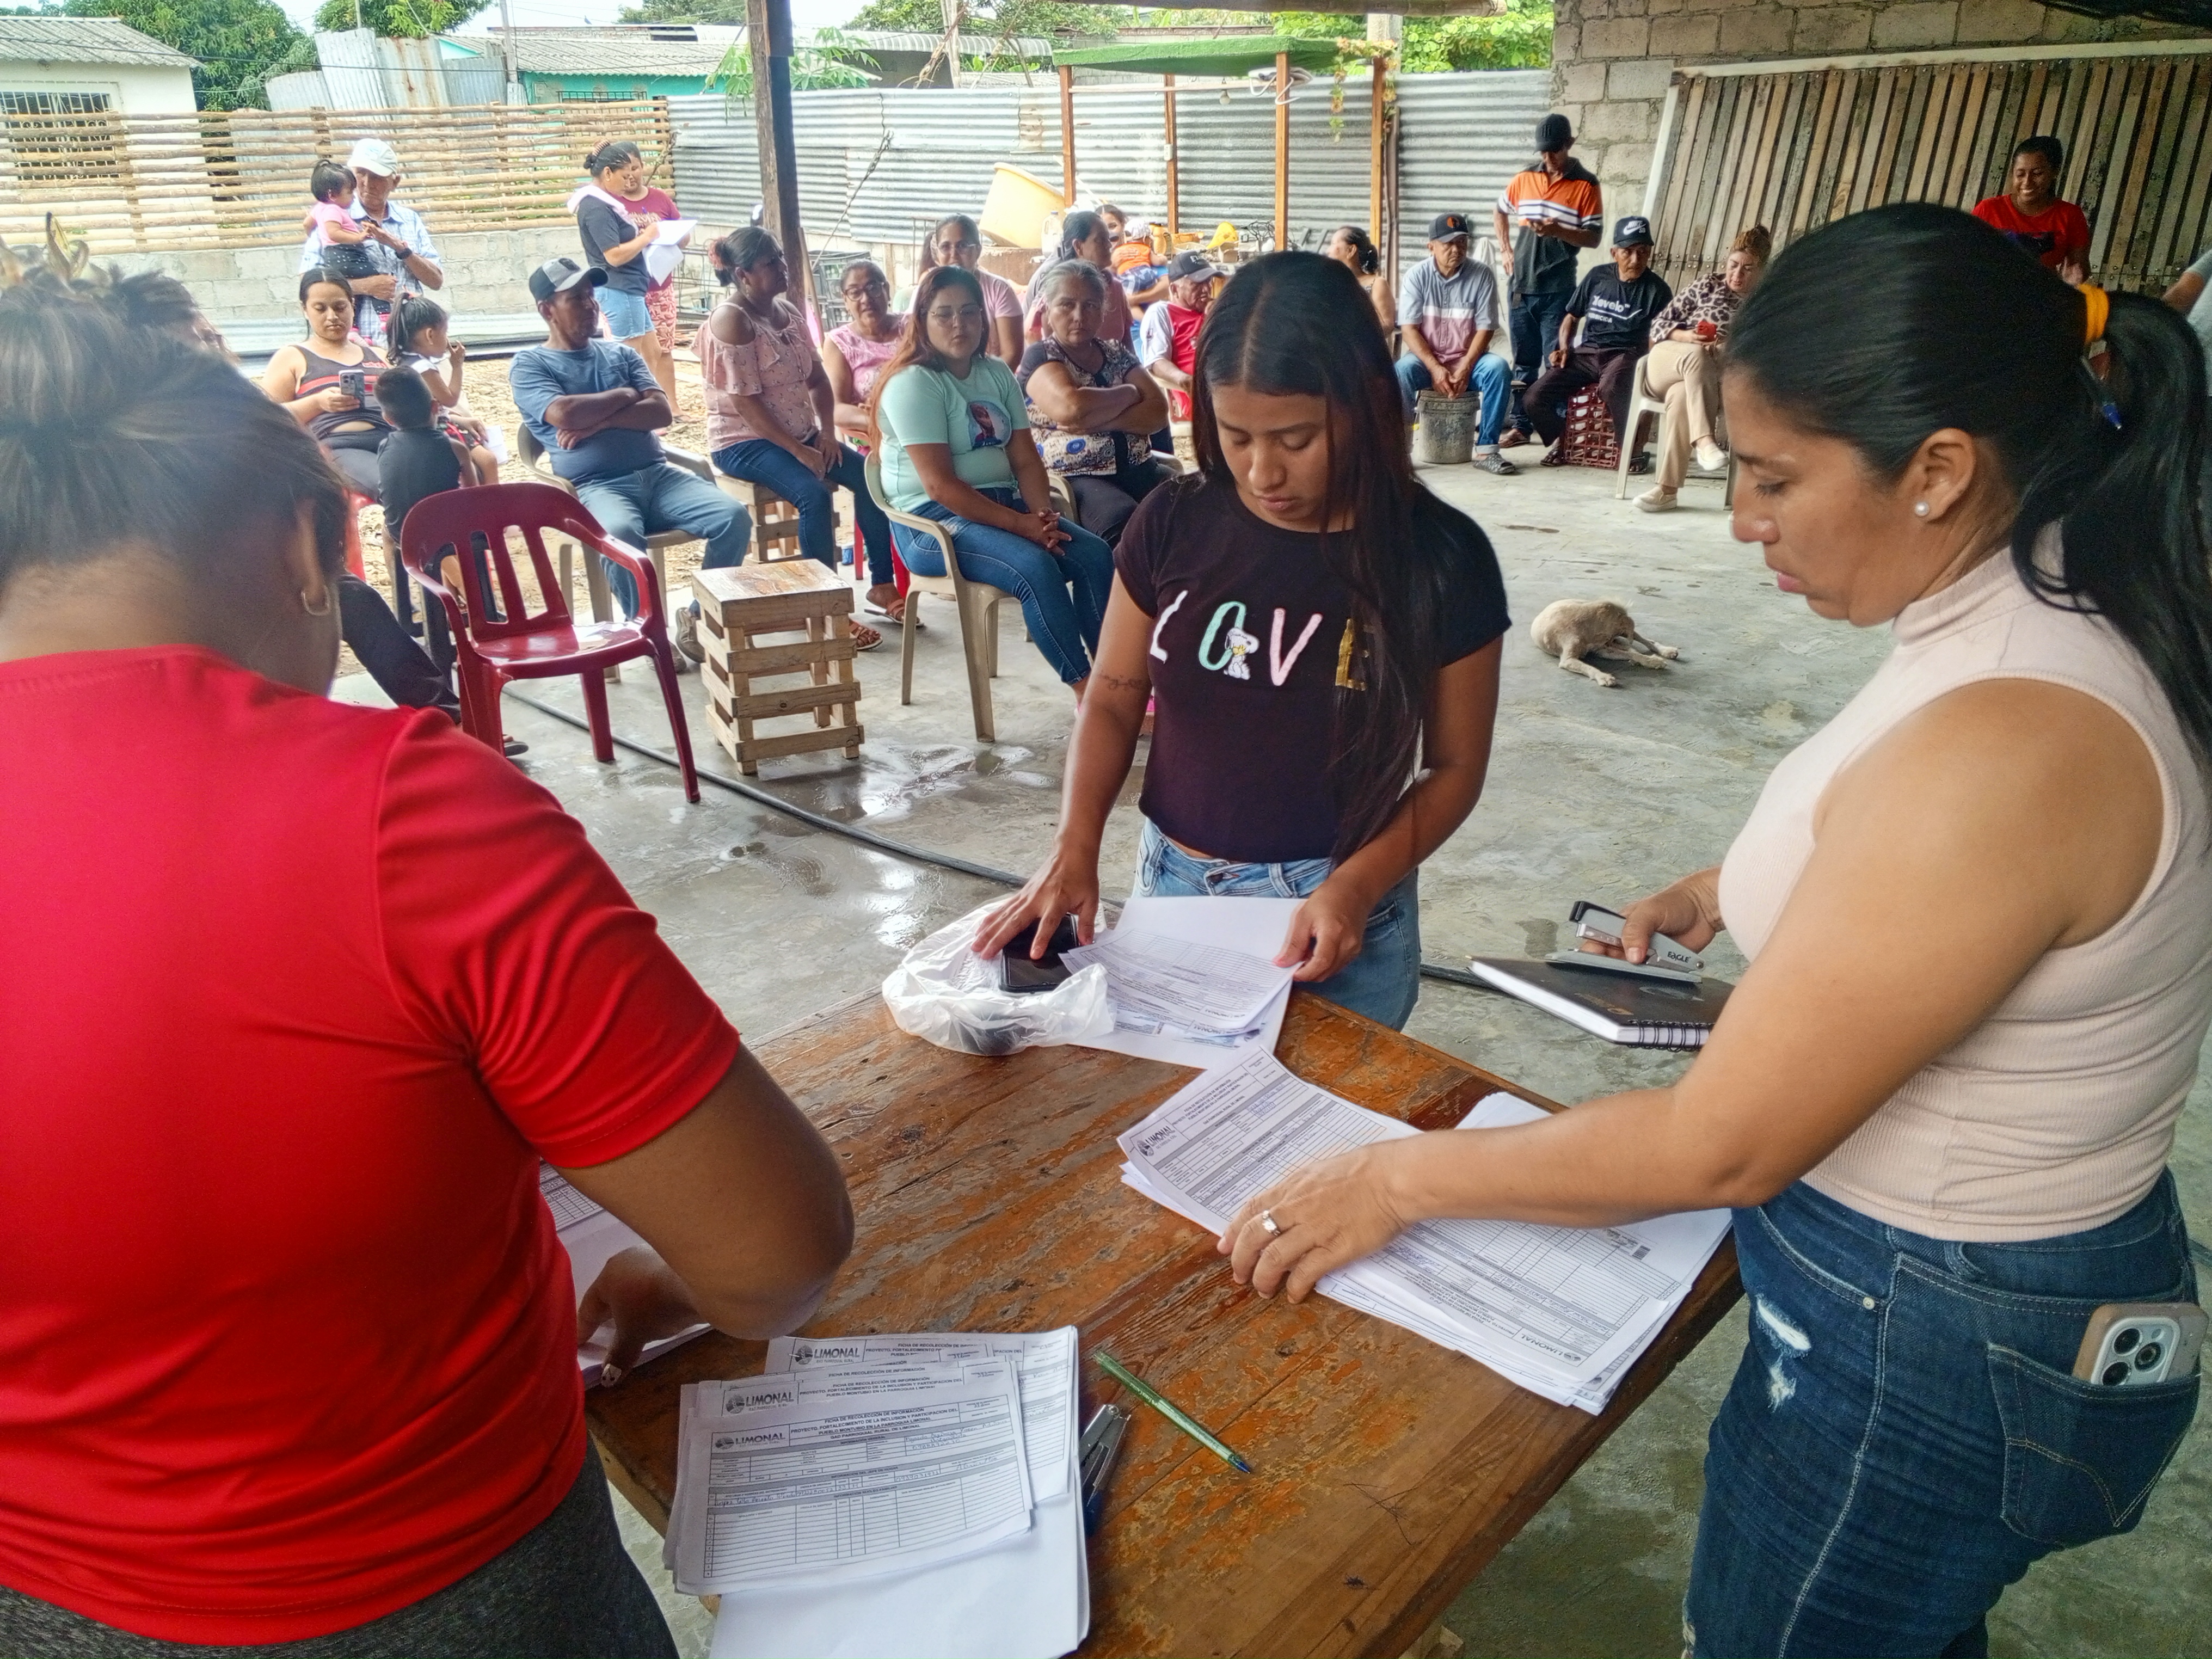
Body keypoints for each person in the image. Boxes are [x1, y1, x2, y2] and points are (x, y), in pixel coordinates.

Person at [1211, 204, 2212, 1656]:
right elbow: (1912, 847)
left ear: (1937, 469)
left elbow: (1716, 1146)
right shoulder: (2051, 596)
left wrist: (1396, 1180)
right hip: (1969, 1299)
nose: (1740, 518)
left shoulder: (2012, 740)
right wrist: (1728, 885)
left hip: (1929, 1331)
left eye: (1774, 477)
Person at [0, 257, 854, 1656]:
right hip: (458, 1593)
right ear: (310, 547)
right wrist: (666, 1277)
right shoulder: (406, 812)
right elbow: (777, 1255)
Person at [974, 251, 1510, 1029]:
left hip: (1340, 911)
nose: (1263, 473)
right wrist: (1074, 843)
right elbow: (1116, 692)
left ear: (1365, 404)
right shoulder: (1173, 520)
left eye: (1295, 439)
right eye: (1236, 436)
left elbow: (1455, 768)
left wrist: (1357, 886)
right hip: (1174, 889)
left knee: (1329, 1109)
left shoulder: (1441, 558)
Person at [870, 264, 1115, 697]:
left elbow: (1025, 459)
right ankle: (1087, 693)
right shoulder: (914, 383)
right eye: (944, 314)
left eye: (970, 312)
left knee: (1094, 555)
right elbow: (940, 487)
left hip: (1002, 506)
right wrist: (1023, 527)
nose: (959, 324)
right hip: (932, 524)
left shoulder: (996, 372)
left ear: (984, 318)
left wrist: (1042, 518)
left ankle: (1115, 683)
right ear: (922, 320)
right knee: (1035, 567)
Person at [508, 257, 749, 640]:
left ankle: (698, 619)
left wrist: (601, 422)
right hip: (596, 487)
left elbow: (660, 412)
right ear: (546, 310)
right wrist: (627, 395)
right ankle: (649, 636)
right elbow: (564, 413)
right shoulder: (531, 364)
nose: (591, 305)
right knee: (620, 534)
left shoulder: (621, 354)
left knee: (733, 517)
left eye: (591, 295)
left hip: (659, 476)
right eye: (576, 298)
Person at [702, 228, 886, 652]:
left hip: (801, 432)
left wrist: (826, 434)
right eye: (771, 262)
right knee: (813, 495)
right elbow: (745, 403)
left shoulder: (786, 312)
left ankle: (882, 585)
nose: (783, 267)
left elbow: (818, 380)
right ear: (743, 274)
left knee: (872, 477)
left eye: (781, 257)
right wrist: (797, 450)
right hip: (743, 441)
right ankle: (824, 609)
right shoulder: (733, 320)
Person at [1017, 259, 1173, 546]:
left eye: (1090, 305)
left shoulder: (1116, 353)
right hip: (1079, 477)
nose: (1079, 316)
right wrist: (1129, 394)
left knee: (1194, 507)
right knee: (1124, 522)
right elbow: (1072, 408)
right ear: (1048, 309)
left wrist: (1099, 421)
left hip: (1141, 467)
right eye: (1067, 305)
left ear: (1103, 311)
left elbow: (1159, 411)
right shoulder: (1042, 356)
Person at [1636, 225, 1771, 513]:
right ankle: (1705, 442)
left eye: (1748, 269)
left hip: (1710, 379)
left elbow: (1762, 353)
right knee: (1695, 355)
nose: (1737, 274)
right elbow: (1660, 324)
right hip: (1667, 362)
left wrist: (1725, 347)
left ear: (1761, 272)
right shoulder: (1707, 285)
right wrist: (1687, 337)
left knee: (1682, 396)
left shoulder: (1763, 306)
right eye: (1733, 265)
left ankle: (1666, 491)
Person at [1525, 214, 1672, 466]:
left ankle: (1630, 450)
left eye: (1642, 252)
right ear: (1614, 253)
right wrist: (1564, 348)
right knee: (1534, 398)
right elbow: (1571, 316)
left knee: (1611, 388)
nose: (1635, 260)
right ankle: (1564, 440)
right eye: (1628, 252)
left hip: (1625, 355)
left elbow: (1660, 336)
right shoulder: (1597, 277)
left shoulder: (1657, 290)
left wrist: (1650, 365)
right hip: (1587, 354)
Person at [1493, 113, 1603, 447]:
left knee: (1556, 361)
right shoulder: (1525, 177)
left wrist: (1558, 230)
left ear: (1569, 144)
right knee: (1523, 363)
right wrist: (1506, 250)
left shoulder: (1586, 184)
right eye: (1543, 151)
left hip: (1558, 290)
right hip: (1520, 287)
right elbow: (1500, 210)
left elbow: (1594, 238)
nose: (1548, 157)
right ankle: (1521, 426)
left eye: (1554, 150)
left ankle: (1557, 433)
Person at [1394, 211, 1515, 476]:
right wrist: (1435, 368)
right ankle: (1400, 454)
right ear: (1431, 246)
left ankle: (1487, 451)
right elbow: (1409, 329)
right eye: (1448, 244)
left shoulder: (1482, 275)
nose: (1456, 250)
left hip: (1468, 359)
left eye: (1462, 243)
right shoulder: (1416, 276)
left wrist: (1465, 366)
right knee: (1401, 372)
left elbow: (1486, 328)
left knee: (1498, 369)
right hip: (1428, 360)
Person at [294, 137, 443, 351]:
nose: (366, 183)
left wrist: (401, 248)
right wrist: (366, 286)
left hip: (410, 342)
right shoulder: (332, 217)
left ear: (395, 182)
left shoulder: (409, 219)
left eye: (376, 177)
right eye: (361, 174)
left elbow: (436, 281)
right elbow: (308, 283)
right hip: (355, 348)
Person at [822, 257, 909, 622]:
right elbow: (835, 408)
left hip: (923, 427)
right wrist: (880, 423)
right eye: (855, 292)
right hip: (873, 438)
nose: (866, 298)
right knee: (873, 475)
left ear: (887, 290)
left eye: (873, 287)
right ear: (845, 300)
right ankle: (884, 581)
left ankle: (946, 562)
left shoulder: (912, 328)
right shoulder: (840, 342)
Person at [262, 267, 395, 500]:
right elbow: (266, 418)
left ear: (352, 305)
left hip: (392, 439)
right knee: (393, 484)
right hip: (339, 447)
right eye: (320, 309)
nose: (332, 316)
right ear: (305, 310)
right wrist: (317, 403)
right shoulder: (292, 357)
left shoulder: (379, 355)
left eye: (340, 307)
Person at [570, 140, 674, 400]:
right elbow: (614, 256)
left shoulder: (605, 204)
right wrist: (647, 237)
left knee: (651, 350)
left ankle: (646, 401)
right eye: (624, 176)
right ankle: (624, 406)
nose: (629, 182)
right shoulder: (596, 207)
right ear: (607, 173)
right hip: (619, 287)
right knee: (628, 356)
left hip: (631, 288)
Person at [393, 297, 500, 489]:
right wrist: (457, 366)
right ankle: (492, 503)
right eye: (445, 332)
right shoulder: (424, 368)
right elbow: (450, 399)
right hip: (439, 431)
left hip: (432, 426)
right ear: (430, 335)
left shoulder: (405, 361)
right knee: (488, 461)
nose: (447, 339)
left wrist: (459, 420)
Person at [1973, 136, 2090, 285]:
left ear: (2055, 172)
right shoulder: (1988, 210)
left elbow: (2079, 267)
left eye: (2037, 173)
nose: (2027, 182)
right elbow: (1964, 256)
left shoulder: (2070, 215)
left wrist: (2072, 279)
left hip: (2043, 295)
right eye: (2020, 174)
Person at [300, 158, 396, 322]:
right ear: (332, 195)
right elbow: (334, 233)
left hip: (333, 257)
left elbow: (306, 224)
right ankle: (385, 316)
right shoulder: (333, 210)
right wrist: (358, 237)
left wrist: (316, 235)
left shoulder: (319, 208)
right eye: (349, 192)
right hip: (346, 254)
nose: (353, 197)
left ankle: (354, 326)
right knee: (376, 277)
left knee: (350, 293)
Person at [923, 214, 1024, 367]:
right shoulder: (925, 291)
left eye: (962, 246)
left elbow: (1012, 354)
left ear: (978, 250)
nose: (954, 255)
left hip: (991, 377)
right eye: (945, 247)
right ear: (937, 253)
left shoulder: (999, 290)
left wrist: (981, 382)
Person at [1024, 210, 1133, 345]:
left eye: (1108, 239)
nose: (1109, 245)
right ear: (1078, 246)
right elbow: (1031, 334)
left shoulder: (1115, 286)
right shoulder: (1056, 285)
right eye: (1100, 240)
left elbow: (1127, 344)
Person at [1138, 251, 1219, 422]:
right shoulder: (1161, 313)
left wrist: (1223, 313)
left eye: (1208, 282)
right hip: (1205, 400)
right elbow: (1157, 362)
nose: (1206, 289)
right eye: (1197, 284)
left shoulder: (1213, 309)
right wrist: (1183, 379)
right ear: (1175, 289)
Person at [1323, 224, 1394, 329]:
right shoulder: (1328, 283)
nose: (1328, 251)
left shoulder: (1376, 284)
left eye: (1333, 244)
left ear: (1351, 250)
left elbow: (1387, 324)